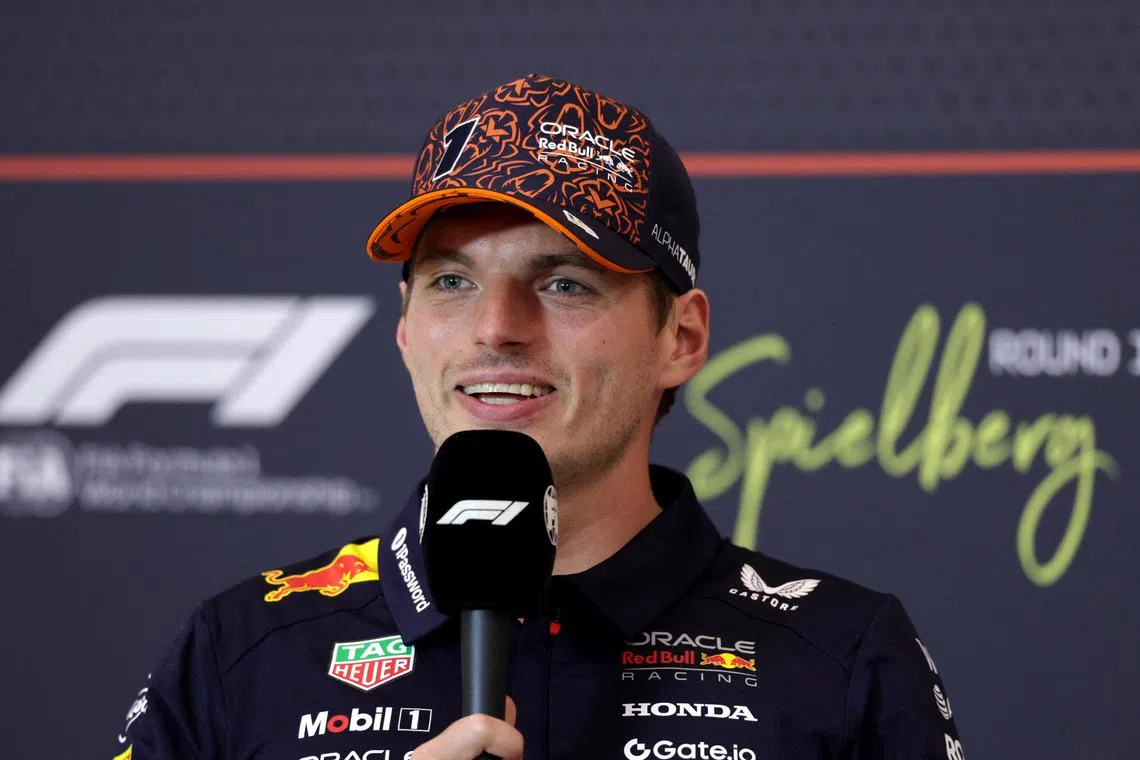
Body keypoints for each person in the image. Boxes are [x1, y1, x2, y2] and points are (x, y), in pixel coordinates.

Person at [109, 73, 964, 760]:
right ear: (406, 330)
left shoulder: (843, 654)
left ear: (683, 336)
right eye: (452, 280)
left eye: (564, 284)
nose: (496, 328)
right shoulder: (243, 649)